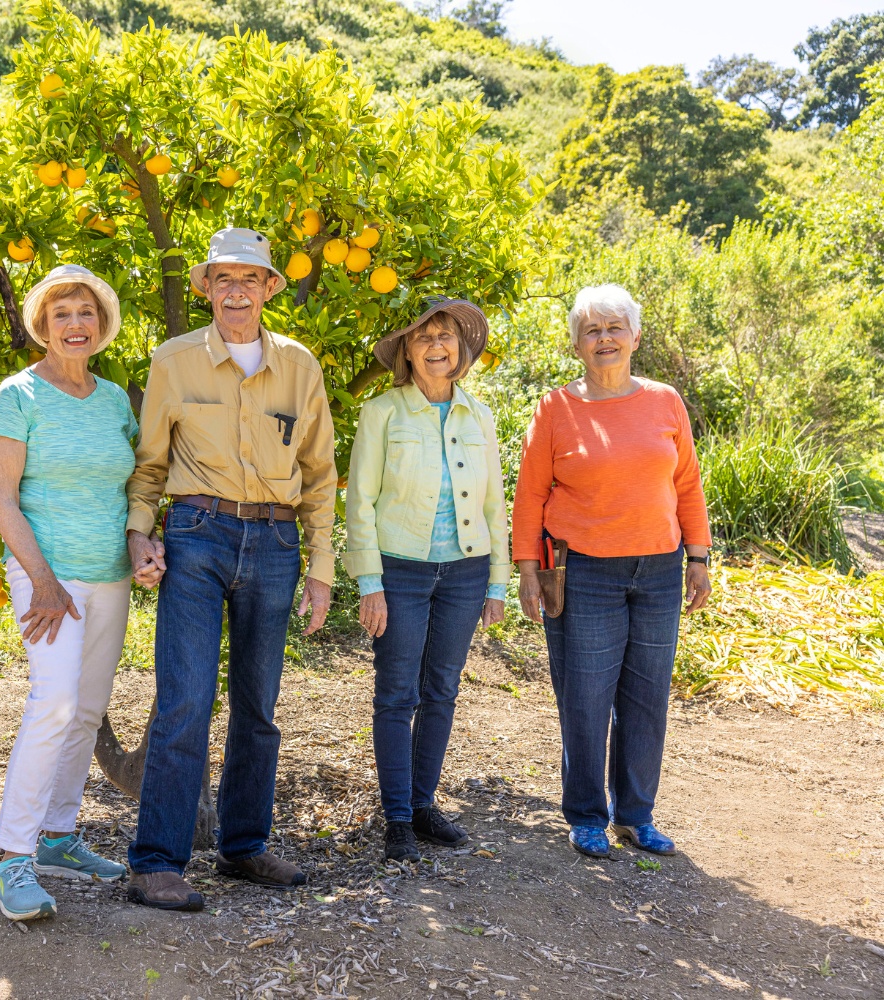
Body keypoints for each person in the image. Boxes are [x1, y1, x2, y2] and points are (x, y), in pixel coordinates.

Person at [123, 228, 337, 912]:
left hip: (275, 542)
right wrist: (139, 534)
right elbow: (151, 465)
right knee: (184, 700)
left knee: (259, 705)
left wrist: (322, 565)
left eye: (251, 278)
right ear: (205, 288)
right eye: (223, 279)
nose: (237, 290)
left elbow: (320, 474)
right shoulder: (174, 361)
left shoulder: (301, 366)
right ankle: (157, 860)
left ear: (271, 287)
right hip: (196, 534)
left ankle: (244, 847)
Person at [513, 283, 712, 860]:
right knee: (586, 696)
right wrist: (528, 568)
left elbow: (687, 485)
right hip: (583, 573)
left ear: (635, 337)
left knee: (647, 696)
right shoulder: (556, 407)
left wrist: (697, 557)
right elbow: (530, 495)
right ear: (577, 344)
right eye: (592, 331)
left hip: (658, 570)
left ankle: (635, 815)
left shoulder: (665, 401)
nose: (604, 339)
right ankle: (585, 816)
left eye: (614, 328)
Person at [0, 265, 152, 921]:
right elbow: (1, 499)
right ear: (43, 327)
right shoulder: (17, 395)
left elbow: (131, 487)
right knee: (52, 702)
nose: (75, 324)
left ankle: (57, 836)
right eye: (61, 314)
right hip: (44, 572)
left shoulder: (113, 401)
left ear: (101, 325)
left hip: (108, 572)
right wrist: (44, 581)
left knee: (87, 709)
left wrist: (141, 544)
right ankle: (13, 859)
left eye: (85, 313)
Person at [344, 299, 510, 863]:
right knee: (397, 694)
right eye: (424, 338)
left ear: (461, 349)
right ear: (406, 352)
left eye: (447, 336)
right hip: (401, 572)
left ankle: (421, 804)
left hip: (465, 572)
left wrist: (496, 583)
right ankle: (395, 820)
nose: (437, 346)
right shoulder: (383, 412)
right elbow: (359, 501)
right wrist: (370, 580)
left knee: (442, 689)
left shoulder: (478, 415)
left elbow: (493, 503)